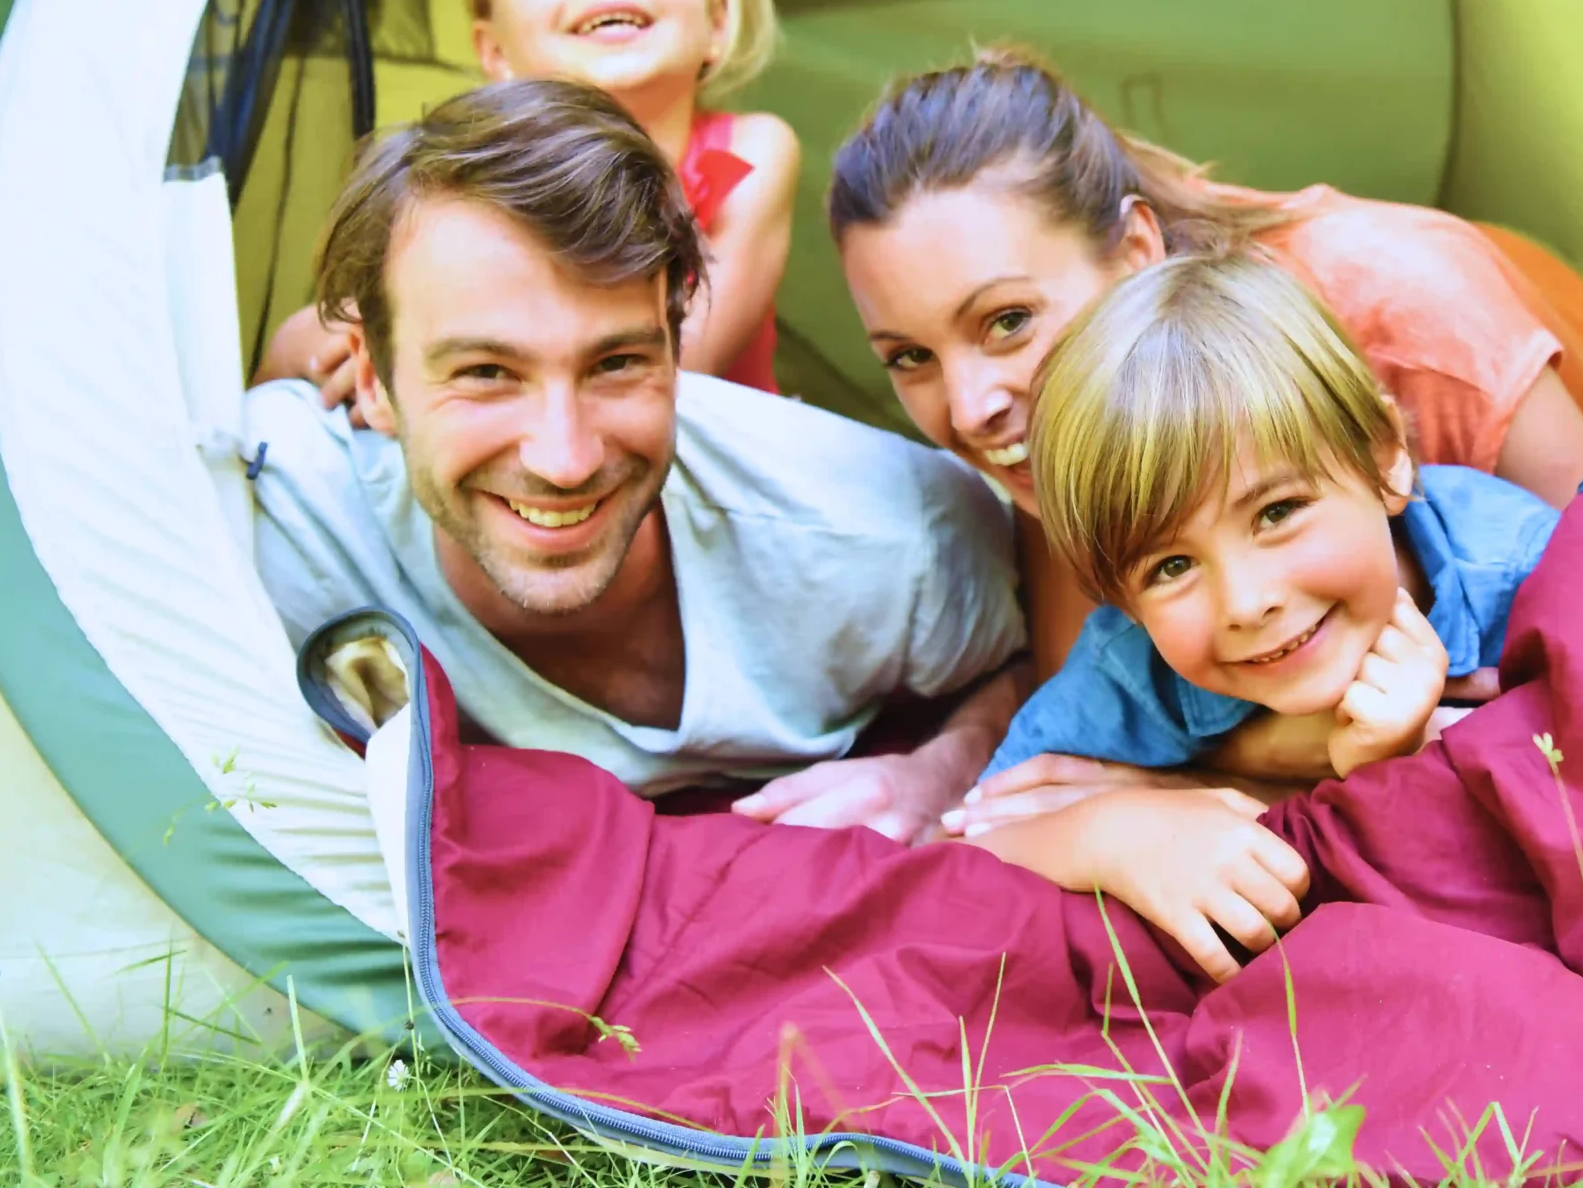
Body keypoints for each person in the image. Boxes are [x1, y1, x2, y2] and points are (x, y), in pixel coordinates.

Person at [826, 45, 1583, 827]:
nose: (970, 408)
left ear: (1134, 252)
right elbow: (1100, 708)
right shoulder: (1069, 432)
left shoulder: (1412, 322)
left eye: (1007, 320)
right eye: (910, 357)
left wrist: (1208, 778)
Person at [247, 79, 1026, 840]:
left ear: (676, 351)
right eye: (487, 373)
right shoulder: (268, 516)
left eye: (616, 363)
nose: (563, 458)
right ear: (374, 380)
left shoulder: (890, 537)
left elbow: (1049, 662)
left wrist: (948, 764)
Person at [955, 253, 1558, 977]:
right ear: (1124, 602)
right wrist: (1113, 833)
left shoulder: (1523, 569)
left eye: (1276, 512)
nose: (1246, 601)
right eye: (1171, 566)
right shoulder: (1129, 666)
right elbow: (963, 845)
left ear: (1385, 456)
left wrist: (1390, 770)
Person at [259, 0, 796, 401]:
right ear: (496, 54)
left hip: (691, 456)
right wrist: (369, 344)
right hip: (520, 436)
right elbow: (312, 340)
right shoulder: (476, 187)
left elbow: (675, 369)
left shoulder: (753, 152)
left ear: (717, 21)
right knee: (307, 343)